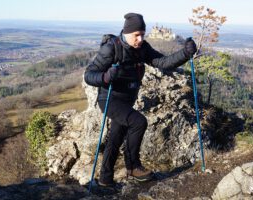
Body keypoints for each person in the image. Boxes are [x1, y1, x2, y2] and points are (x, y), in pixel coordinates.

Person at [84, 12, 197, 187]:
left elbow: (162, 62)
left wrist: (185, 53)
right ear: (126, 32)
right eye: (137, 35)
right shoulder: (111, 48)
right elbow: (89, 75)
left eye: (143, 34)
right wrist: (105, 77)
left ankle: (105, 179)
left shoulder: (143, 48)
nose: (140, 39)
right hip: (109, 100)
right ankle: (133, 167)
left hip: (127, 100)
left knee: (116, 136)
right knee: (138, 122)